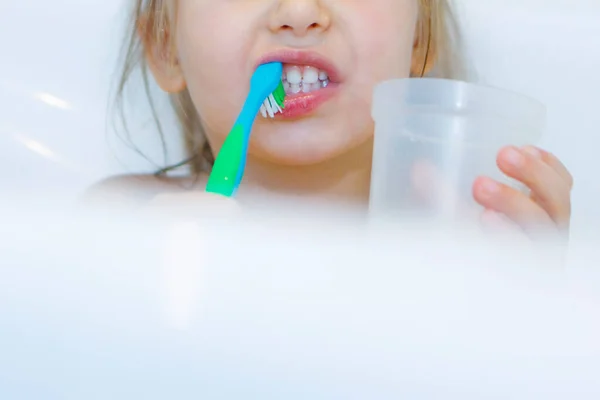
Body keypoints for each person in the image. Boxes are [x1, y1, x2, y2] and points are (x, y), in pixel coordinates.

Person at [88, 0, 572, 241]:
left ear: (419, 40)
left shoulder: (453, 242)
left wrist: (522, 298)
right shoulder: (122, 222)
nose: (299, 13)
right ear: (164, 46)